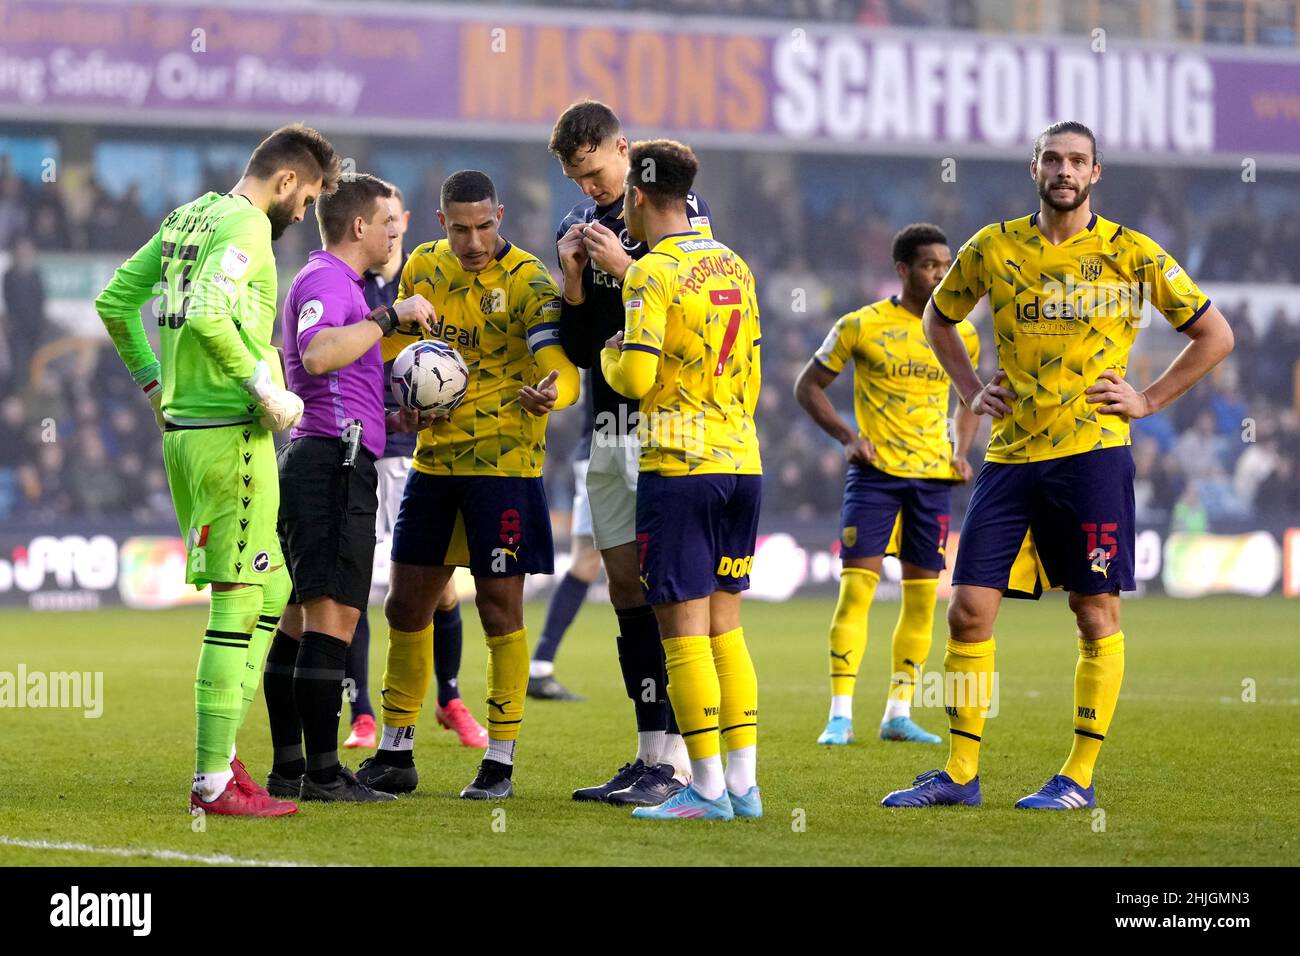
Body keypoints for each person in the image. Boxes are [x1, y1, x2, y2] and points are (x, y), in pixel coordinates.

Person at [882, 121, 1234, 810]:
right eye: (1053, 158)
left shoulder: (1132, 253)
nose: (1064, 170)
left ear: (1096, 172)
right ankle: (959, 774)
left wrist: (1150, 398)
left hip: (1093, 456)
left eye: (1077, 160)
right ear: (1033, 167)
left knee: (1094, 612)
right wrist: (969, 390)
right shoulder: (992, 246)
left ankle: (1076, 777)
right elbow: (937, 318)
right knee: (967, 613)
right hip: (1010, 456)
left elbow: (1214, 334)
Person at [94, 123, 341, 816]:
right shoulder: (246, 228)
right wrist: (264, 388)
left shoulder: (187, 217)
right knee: (241, 597)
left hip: (191, 433)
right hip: (228, 435)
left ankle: (225, 756)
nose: (304, 212)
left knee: (273, 587)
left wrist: (152, 387)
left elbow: (114, 300)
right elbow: (207, 315)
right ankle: (211, 780)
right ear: (287, 181)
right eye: (308, 196)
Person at [356, 170, 580, 800]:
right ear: (441, 224)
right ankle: (396, 754)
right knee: (405, 605)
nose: (475, 240)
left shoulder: (530, 281)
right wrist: (401, 405)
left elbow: (561, 367)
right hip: (434, 463)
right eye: (461, 228)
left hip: (503, 467)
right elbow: (394, 355)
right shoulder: (423, 268)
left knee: (498, 609)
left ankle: (500, 762)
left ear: (500, 215)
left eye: (485, 226)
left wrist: (552, 393)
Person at [550, 100, 713, 805]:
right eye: (576, 179)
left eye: (595, 172)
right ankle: (648, 755)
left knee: (669, 589)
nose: (588, 189)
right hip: (608, 428)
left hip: (668, 427)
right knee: (623, 586)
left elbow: (693, 312)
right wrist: (577, 280)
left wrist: (629, 261)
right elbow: (584, 352)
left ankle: (681, 762)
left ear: (624, 149)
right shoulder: (576, 229)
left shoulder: (681, 211)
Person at [600, 139, 763, 822]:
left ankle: (703, 791)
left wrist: (612, 358)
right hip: (742, 462)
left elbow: (635, 381)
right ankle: (744, 785)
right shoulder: (734, 263)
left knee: (683, 633)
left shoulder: (650, 272)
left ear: (636, 197)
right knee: (727, 628)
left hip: (680, 466)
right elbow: (752, 374)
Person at [262, 174, 437, 802]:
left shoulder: (347, 288)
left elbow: (339, 378)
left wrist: (396, 417)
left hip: (327, 455)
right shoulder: (325, 281)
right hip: (330, 465)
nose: (396, 231)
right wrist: (391, 317)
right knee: (332, 622)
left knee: (297, 622)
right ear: (358, 226)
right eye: (388, 221)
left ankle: (289, 769)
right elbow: (314, 356)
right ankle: (324, 773)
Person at [795, 223, 979, 748]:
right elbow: (807, 386)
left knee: (923, 603)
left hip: (931, 481)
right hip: (875, 479)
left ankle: (898, 712)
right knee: (856, 593)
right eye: (930, 265)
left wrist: (961, 451)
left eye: (946, 264)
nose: (941, 273)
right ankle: (840, 715)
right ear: (902, 269)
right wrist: (846, 436)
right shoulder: (860, 324)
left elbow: (970, 398)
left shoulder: (959, 330)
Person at [349, 186, 488, 750]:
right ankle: (360, 711)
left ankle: (450, 698)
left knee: (443, 590)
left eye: (391, 221)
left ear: (404, 222)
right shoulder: (355, 286)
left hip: (419, 458)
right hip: (367, 448)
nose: (385, 232)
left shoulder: (430, 279)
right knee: (356, 584)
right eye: (376, 221)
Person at [527, 395, 600, 701]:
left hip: (595, 449)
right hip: (626, 449)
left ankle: (540, 665)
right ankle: (668, 673)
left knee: (586, 560)